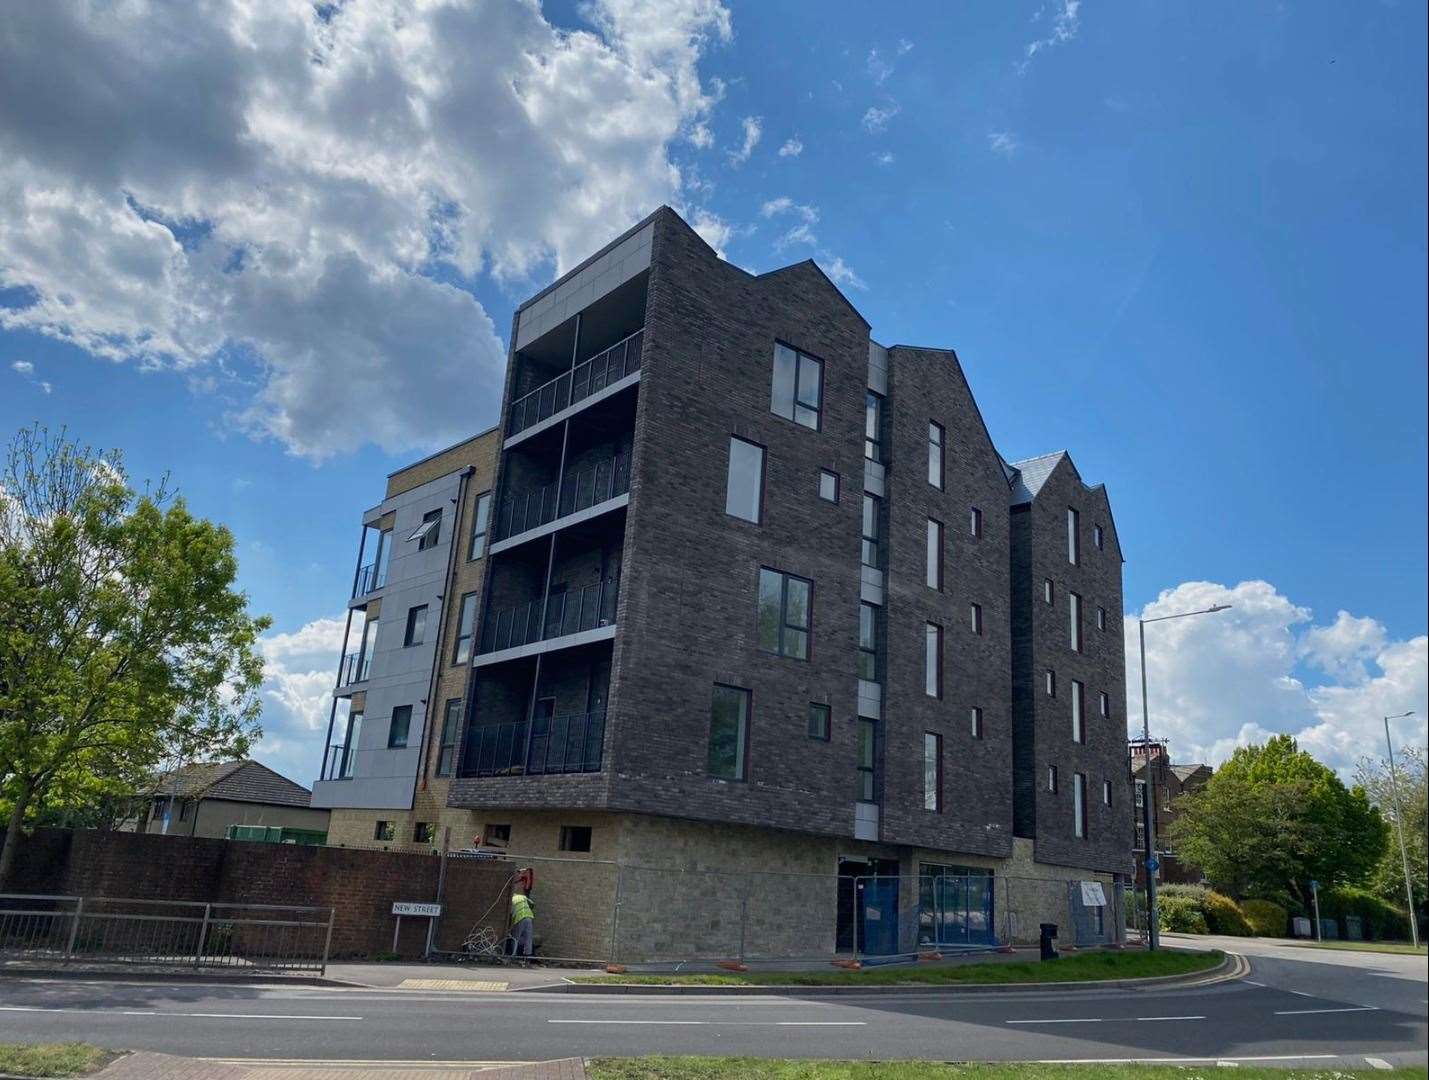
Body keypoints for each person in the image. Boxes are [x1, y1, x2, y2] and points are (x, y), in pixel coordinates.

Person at [509, 880, 535, 962]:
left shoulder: (511, 900)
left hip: (520, 918)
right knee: (528, 938)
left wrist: (510, 927)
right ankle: (527, 957)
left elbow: (510, 914)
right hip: (529, 917)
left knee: (515, 938)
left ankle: (513, 956)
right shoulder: (522, 897)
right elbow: (532, 903)